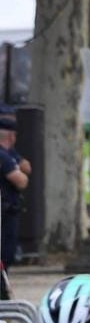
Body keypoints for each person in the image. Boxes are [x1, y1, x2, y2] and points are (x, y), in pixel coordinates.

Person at [0, 114, 27, 288]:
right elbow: (21, 180)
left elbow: (26, 166)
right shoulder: (3, 156)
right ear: (11, 136)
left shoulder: (8, 154)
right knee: (5, 255)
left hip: (7, 211)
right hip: (5, 213)